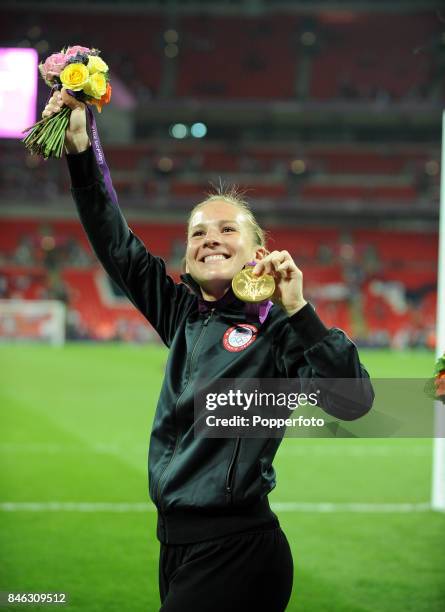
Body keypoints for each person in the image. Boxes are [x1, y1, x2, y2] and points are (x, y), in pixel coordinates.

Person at [42, 89, 374, 612]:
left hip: (238, 551)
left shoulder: (279, 331)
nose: (210, 239)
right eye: (198, 233)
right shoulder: (180, 313)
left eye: (226, 229)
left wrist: (300, 310)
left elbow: (355, 403)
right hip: (174, 546)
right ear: (188, 259)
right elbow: (115, 242)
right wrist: (82, 148)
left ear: (258, 254)